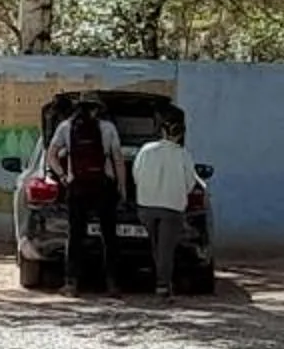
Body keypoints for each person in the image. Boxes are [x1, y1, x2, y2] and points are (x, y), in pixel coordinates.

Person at [45, 95, 127, 294]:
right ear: (97, 109)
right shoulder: (108, 128)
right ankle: (112, 283)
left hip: (77, 187)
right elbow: (117, 159)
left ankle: (72, 283)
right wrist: (122, 186)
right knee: (109, 236)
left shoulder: (66, 127)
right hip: (103, 186)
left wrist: (63, 177)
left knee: (75, 236)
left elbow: (51, 156)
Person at [132, 110, 203, 299]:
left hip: (146, 206)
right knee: (165, 248)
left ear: (163, 131)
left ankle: (157, 280)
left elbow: (136, 175)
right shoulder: (183, 155)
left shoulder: (146, 150)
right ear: (179, 135)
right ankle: (162, 285)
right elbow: (190, 182)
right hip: (172, 208)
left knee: (155, 245)